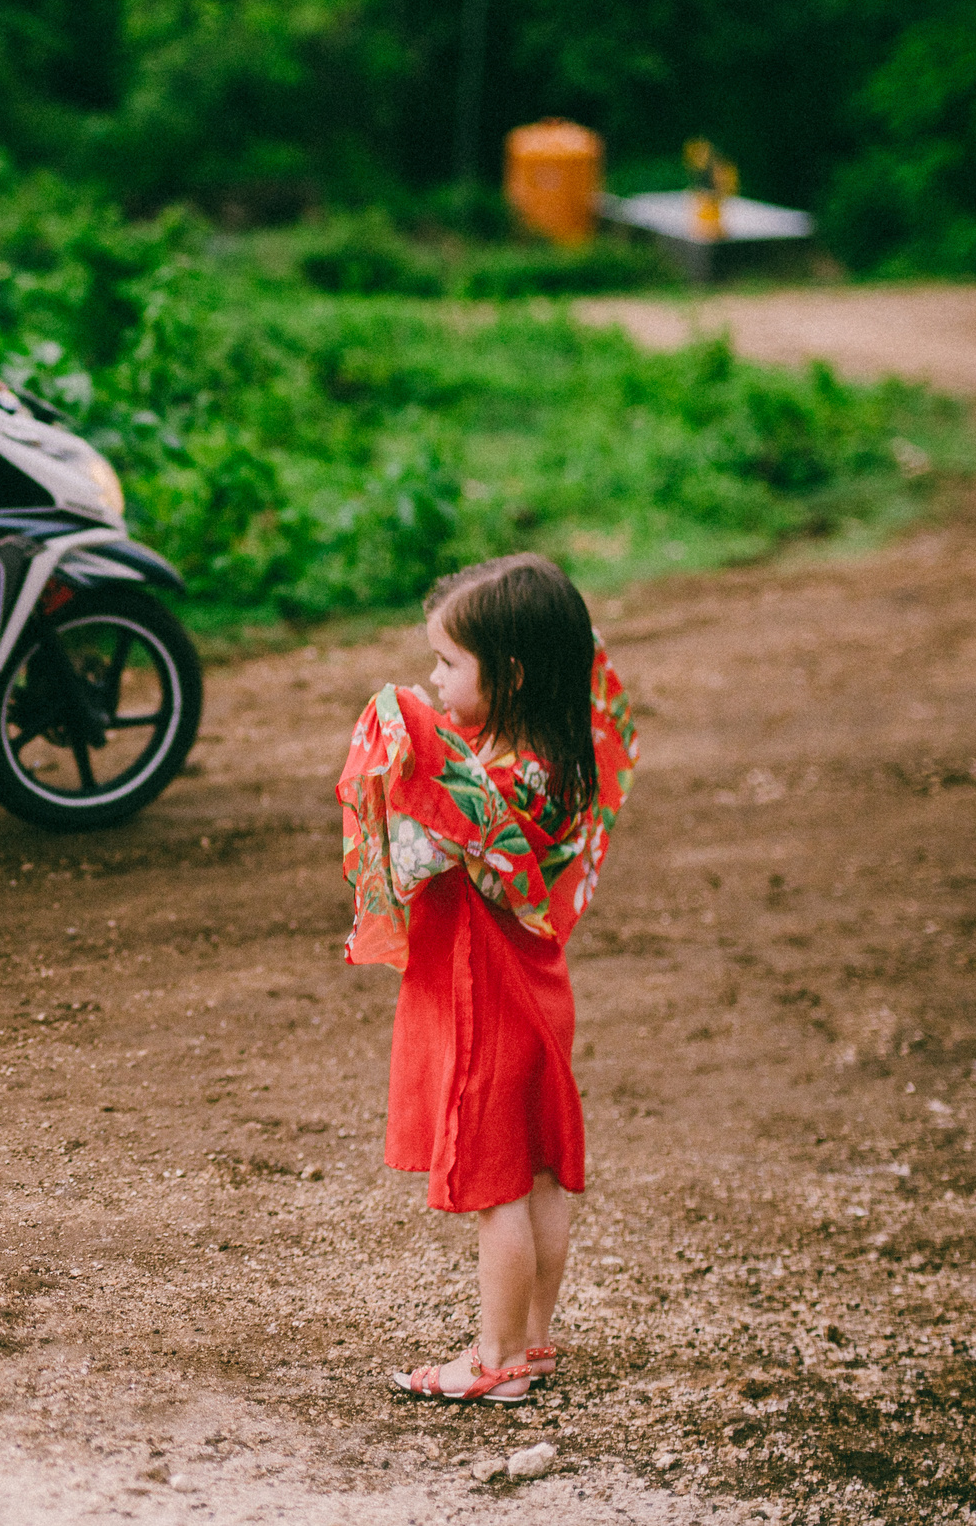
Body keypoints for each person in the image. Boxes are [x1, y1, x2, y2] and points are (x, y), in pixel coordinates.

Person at [334, 552, 638, 1404]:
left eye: (446, 663)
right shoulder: (557, 757)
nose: (431, 681)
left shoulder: (487, 786)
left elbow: (418, 855)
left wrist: (405, 761)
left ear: (508, 673)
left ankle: (496, 1358)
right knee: (536, 1173)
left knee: (497, 1186)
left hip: (485, 996)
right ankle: (533, 1340)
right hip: (538, 987)